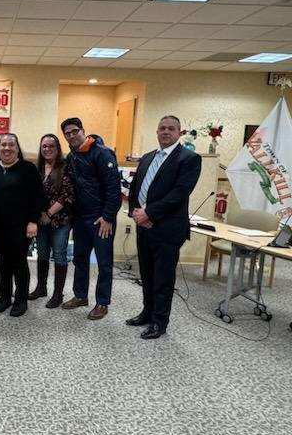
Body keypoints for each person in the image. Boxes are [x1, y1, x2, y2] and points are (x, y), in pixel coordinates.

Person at [126, 115, 201, 339]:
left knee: (163, 279)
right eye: (162, 128)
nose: (165, 132)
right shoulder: (148, 157)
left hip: (167, 230)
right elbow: (135, 188)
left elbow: (179, 194)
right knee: (147, 275)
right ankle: (147, 313)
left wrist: (149, 213)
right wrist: (136, 213)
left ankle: (160, 322)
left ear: (179, 132)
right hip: (144, 227)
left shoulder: (189, 159)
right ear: (157, 132)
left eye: (170, 128)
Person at [61, 117, 121, 320]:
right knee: (80, 259)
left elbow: (114, 189)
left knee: (104, 263)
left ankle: (102, 303)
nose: (71, 135)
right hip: (80, 218)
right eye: (67, 134)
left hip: (100, 219)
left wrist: (108, 217)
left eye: (74, 131)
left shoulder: (103, 153)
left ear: (83, 130)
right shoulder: (72, 156)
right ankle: (80, 296)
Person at [0, 133, 44, 317]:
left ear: (17, 149)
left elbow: (37, 197)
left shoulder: (28, 169)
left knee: (19, 262)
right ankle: (4, 297)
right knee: (3, 262)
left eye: (11, 145)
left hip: (22, 226)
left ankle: (21, 300)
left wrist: (33, 221)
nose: (7, 148)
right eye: (3, 145)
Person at [28, 134, 74, 308]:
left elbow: (67, 195)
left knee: (60, 255)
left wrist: (48, 214)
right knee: (42, 254)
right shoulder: (36, 168)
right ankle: (41, 288)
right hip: (39, 220)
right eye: (44, 146)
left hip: (60, 221)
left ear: (57, 148)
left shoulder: (66, 167)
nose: (47, 149)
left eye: (51, 146)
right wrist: (37, 215)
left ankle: (57, 294)